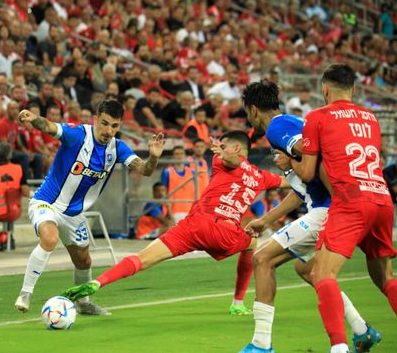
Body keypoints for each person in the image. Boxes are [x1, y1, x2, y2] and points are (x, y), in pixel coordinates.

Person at [62, 132, 288, 317]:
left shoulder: (222, 160)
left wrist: (226, 155)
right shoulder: (261, 175)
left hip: (194, 224)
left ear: (236, 149)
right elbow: (286, 182)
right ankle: (238, 302)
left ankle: (99, 282)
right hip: (224, 232)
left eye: (224, 144)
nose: (218, 148)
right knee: (251, 242)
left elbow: (233, 161)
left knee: (143, 259)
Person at [240, 79, 379, 353]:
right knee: (308, 269)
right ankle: (362, 330)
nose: (249, 119)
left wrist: (293, 162)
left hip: (328, 208)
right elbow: (303, 186)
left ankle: (261, 345)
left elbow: (311, 151)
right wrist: (266, 220)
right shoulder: (290, 123)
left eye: (247, 113)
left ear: (254, 110)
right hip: (324, 204)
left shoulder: (278, 127)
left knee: (262, 258)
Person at [291, 64, 397, 353]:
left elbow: (306, 173)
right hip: (381, 197)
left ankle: (339, 347)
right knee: (386, 278)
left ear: (324, 88)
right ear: (353, 89)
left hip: (351, 200)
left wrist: (288, 161)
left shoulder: (316, 117)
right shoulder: (371, 118)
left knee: (322, 275)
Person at [15, 100, 166, 315]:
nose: (108, 130)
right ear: (96, 119)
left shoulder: (117, 148)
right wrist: (33, 119)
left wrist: (153, 157)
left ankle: (83, 303)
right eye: (104, 124)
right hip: (47, 202)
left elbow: (145, 170)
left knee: (84, 259)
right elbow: (50, 127)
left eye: (114, 126)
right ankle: (25, 293)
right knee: (49, 238)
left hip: (75, 213)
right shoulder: (77, 134)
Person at [160, 146, 195, 222]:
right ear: (173, 156)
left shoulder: (192, 172)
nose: (179, 156)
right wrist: (169, 211)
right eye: (177, 154)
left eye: (181, 154)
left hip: (190, 211)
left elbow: (195, 193)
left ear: (185, 156)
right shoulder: (167, 172)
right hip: (174, 211)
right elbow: (163, 193)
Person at [383, 155, 397, 229]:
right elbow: (395, 189)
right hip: (387, 194)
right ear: (396, 162)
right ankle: (386, 226)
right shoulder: (387, 171)